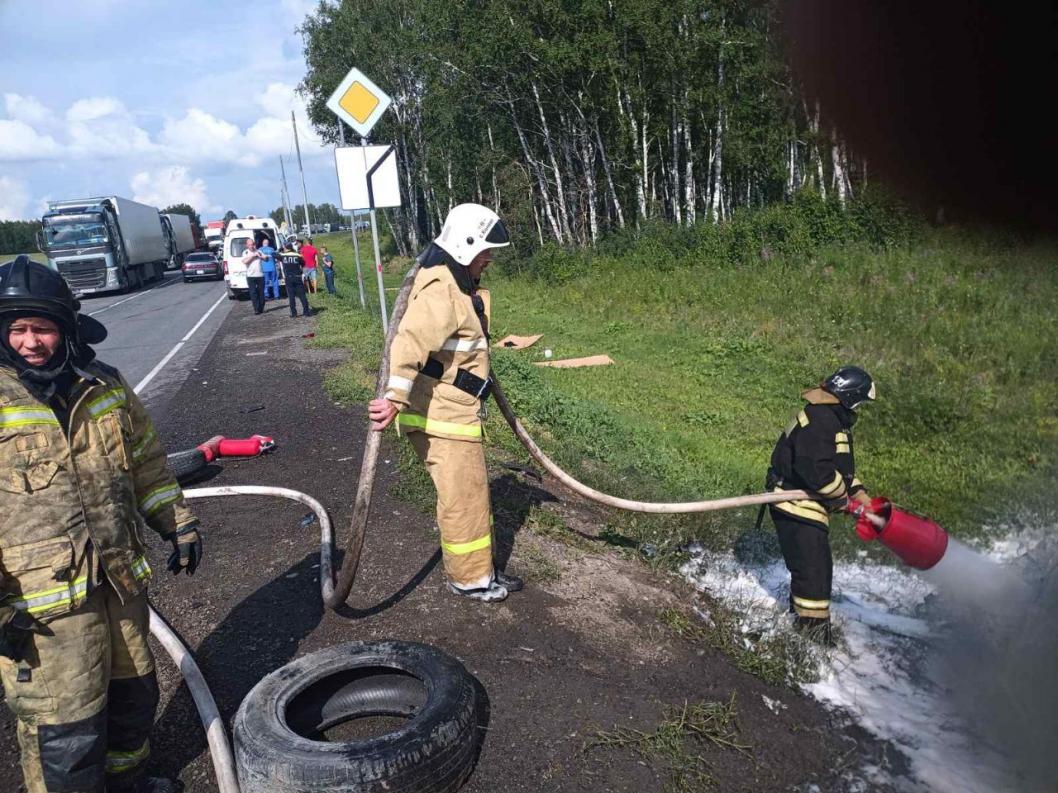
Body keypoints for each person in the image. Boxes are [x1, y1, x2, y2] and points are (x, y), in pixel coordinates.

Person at [0, 256, 202, 793]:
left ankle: (129, 785)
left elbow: (148, 463)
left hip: (118, 583)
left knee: (132, 701)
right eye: (16, 329)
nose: (30, 342)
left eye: (41, 327)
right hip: (40, 614)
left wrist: (177, 523)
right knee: (66, 733)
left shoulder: (103, 386)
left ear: (65, 330)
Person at [368, 204, 522, 603]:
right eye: (485, 250)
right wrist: (393, 399)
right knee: (463, 499)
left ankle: (480, 569)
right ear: (465, 245)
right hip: (443, 416)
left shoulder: (457, 284)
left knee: (470, 495)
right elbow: (408, 343)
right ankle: (470, 579)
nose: (489, 258)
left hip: (455, 410)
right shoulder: (442, 289)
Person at [765, 366, 875, 643]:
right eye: (860, 402)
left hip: (803, 502)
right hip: (795, 502)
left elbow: (836, 465)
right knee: (813, 573)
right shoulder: (822, 421)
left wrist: (858, 493)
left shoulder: (829, 418)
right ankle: (810, 640)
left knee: (815, 569)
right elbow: (817, 472)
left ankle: (803, 623)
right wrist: (839, 497)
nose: (860, 409)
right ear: (849, 398)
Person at [279, 239, 311, 318]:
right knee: (302, 295)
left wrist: (280, 249)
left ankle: (294, 314)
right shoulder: (297, 255)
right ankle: (306, 312)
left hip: (288, 278)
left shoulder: (282, 255)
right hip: (297, 277)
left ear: (285, 248)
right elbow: (303, 263)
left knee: (291, 296)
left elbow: (274, 254)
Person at [241, 238, 265, 314]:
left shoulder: (259, 251)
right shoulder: (245, 252)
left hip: (260, 275)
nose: (251, 246)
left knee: (261, 293)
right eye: (250, 245)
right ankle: (256, 309)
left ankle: (261, 307)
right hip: (250, 276)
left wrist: (262, 257)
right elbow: (245, 261)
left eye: (252, 244)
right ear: (247, 245)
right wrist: (254, 256)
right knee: (253, 292)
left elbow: (266, 259)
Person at [259, 236, 279, 301]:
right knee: (275, 281)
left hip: (265, 269)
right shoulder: (272, 249)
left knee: (265, 282)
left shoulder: (260, 250)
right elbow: (275, 258)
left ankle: (266, 295)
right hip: (272, 268)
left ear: (263, 243)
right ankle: (276, 295)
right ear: (268, 243)